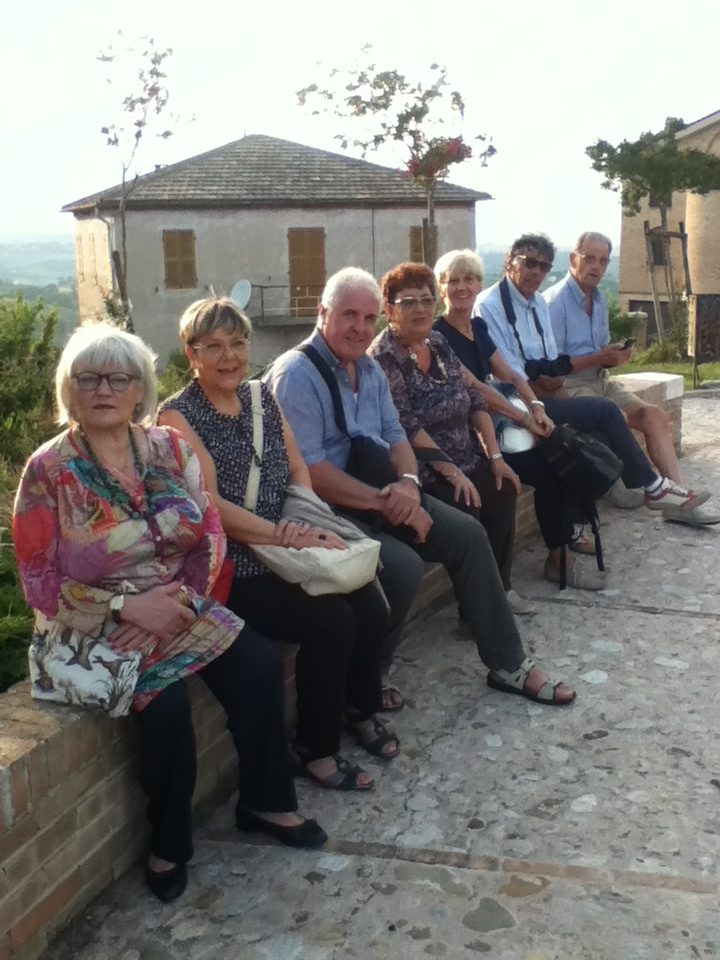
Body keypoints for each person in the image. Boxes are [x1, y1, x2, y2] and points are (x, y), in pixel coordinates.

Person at [12, 323, 326, 906]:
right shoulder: (48, 471)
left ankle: (264, 801)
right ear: (70, 391)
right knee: (168, 706)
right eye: (89, 378)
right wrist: (124, 606)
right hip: (93, 623)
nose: (104, 388)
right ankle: (169, 844)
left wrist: (178, 600)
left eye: (119, 378)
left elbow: (208, 535)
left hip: (177, 604)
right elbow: (37, 579)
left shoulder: (168, 448)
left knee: (256, 665)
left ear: (140, 389)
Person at [266, 267, 576, 708]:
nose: (359, 327)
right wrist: (385, 500)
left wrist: (409, 486)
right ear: (322, 313)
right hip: (329, 509)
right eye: (348, 315)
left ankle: (508, 663)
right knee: (404, 566)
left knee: (468, 535)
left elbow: (396, 435)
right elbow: (312, 471)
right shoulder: (297, 375)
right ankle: (370, 677)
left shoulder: (367, 369)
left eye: (367, 317)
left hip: (386, 493)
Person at [158, 297, 396, 794]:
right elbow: (211, 506)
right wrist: (280, 536)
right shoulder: (176, 418)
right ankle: (316, 747)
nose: (229, 356)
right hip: (235, 564)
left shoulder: (260, 397)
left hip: (286, 541)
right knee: (331, 621)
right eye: (215, 346)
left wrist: (300, 518)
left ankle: (359, 707)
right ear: (191, 354)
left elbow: (297, 468)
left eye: (238, 343)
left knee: (370, 600)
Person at [475, 232, 717, 528]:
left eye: (542, 266)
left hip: (556, 388)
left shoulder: (539, 302)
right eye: (529, 263)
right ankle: (651, 489)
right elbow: (508, 372)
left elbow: (551, 362)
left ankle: (668, 497)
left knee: (639, 420)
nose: (536, 271)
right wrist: (552, 388)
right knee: (603, 414)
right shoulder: (496, 305)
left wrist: (571, 374)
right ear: (509, 262)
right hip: (518, 402)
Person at [368, 261, 538, 611]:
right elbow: (406, 425)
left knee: (503, 487)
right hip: (424, 470)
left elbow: (475, 400)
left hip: (466, 456)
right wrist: (454, 472)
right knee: (467, 505)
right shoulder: (384, 357)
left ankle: (499, 591)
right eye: (409, 302)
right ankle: (475, 609)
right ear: (389, 310)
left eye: (427, 300)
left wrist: (495, 457)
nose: (420, 308)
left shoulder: (438, 342)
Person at [431, 249, 605, 591]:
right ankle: (554, 562)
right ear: (442, 289)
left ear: (479, 283)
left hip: (500, 423)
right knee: (547, 471)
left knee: (561, 459)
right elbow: (478, 389)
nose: (462, 287)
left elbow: (509, 373)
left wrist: (537, 406)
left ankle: (562, 554)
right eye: (453, 281)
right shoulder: (438, 335)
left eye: (469, 279)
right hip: (475, 436)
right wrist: (526, 419)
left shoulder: (476, 326)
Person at [544, 231, 714, 519]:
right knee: (617, 417)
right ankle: (650, 489)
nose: (596, 267)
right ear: (573, 259)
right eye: (589, 259)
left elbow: (598, 351)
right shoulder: (553, 303)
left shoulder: (597, 300)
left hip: (600, 379)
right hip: (568, 386)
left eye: (603, 261)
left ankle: (677, 499)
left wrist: (613, 358)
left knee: (654, 416)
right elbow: (551, 368)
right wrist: (600, 357)